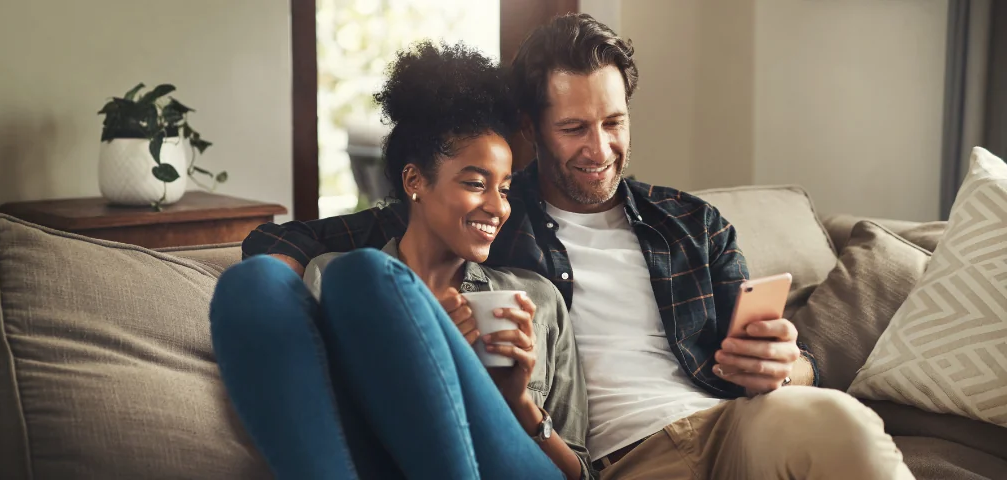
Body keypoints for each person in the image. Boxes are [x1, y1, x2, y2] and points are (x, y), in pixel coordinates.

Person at [243, 14, 914, 480]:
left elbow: (794, 364)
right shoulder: (488, 211)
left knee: (842, 423)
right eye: (573, 129)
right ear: (533, 129)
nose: (599, 150)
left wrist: (786, 366)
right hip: (622, 460)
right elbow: (285, 238)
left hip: (733, 428)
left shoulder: (692, 222)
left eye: (613, 122)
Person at [211, 41, 592, 480]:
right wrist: (424, 349)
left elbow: (580, 473)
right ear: (414, 180)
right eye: (475, 183)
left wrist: (516, 401)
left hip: (507, 465)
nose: (498, 206)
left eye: (503, 189)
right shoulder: (331, 277)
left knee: (364, 274)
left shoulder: (537, 300)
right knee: (254, 282)